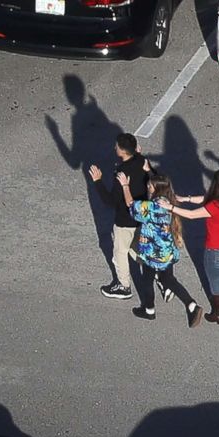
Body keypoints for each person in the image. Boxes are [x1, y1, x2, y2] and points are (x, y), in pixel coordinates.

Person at [114, 172, 203, 327]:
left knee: (147, 280)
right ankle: (191, 305)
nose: (147, 186)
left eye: (150, 184)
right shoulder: (167, 201)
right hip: (167, 250)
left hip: (153, 253)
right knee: (168, 279)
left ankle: (149, 309)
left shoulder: (153, 206)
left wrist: (125, 185)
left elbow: (131, 205)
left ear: (155, 187)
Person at [167, 169, 219, 325]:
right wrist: (186, 199)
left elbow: (192, 215)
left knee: (213, 280)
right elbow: (206, 199)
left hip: (217, 248)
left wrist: (170, 207)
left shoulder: (215, 205)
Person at [88, 132, 150, 300]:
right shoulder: (143, 162)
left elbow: (110, 200)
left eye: (116, 146)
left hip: (125, 219)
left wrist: (97, 181)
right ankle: (156, 270)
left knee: (120, 252)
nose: (114, 147)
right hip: (142, 215)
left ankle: (123, 286)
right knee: (136, 247)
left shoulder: (121, 173)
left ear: (122, 151)